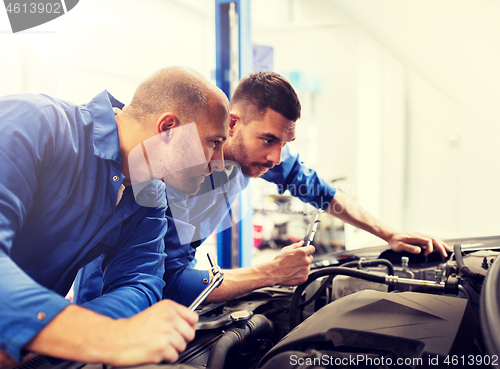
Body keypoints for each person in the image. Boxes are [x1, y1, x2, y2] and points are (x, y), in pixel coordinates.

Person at [76, 71, 450, 308]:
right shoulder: (172, 172)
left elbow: (323, 193)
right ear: (233, 123)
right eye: (268, 139)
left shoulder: (255, 157)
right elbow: (169, 283)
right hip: (113, 302)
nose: (276, 157)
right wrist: (270, 273)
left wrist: (388, 232)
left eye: (284, 144)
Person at [0, 66, 229, 368]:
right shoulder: (34, 123)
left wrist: (55, 337)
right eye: (214, 142)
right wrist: (86, 331)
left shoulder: (148, 197)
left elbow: (141, 283)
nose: (221, 163)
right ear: (169, 129)